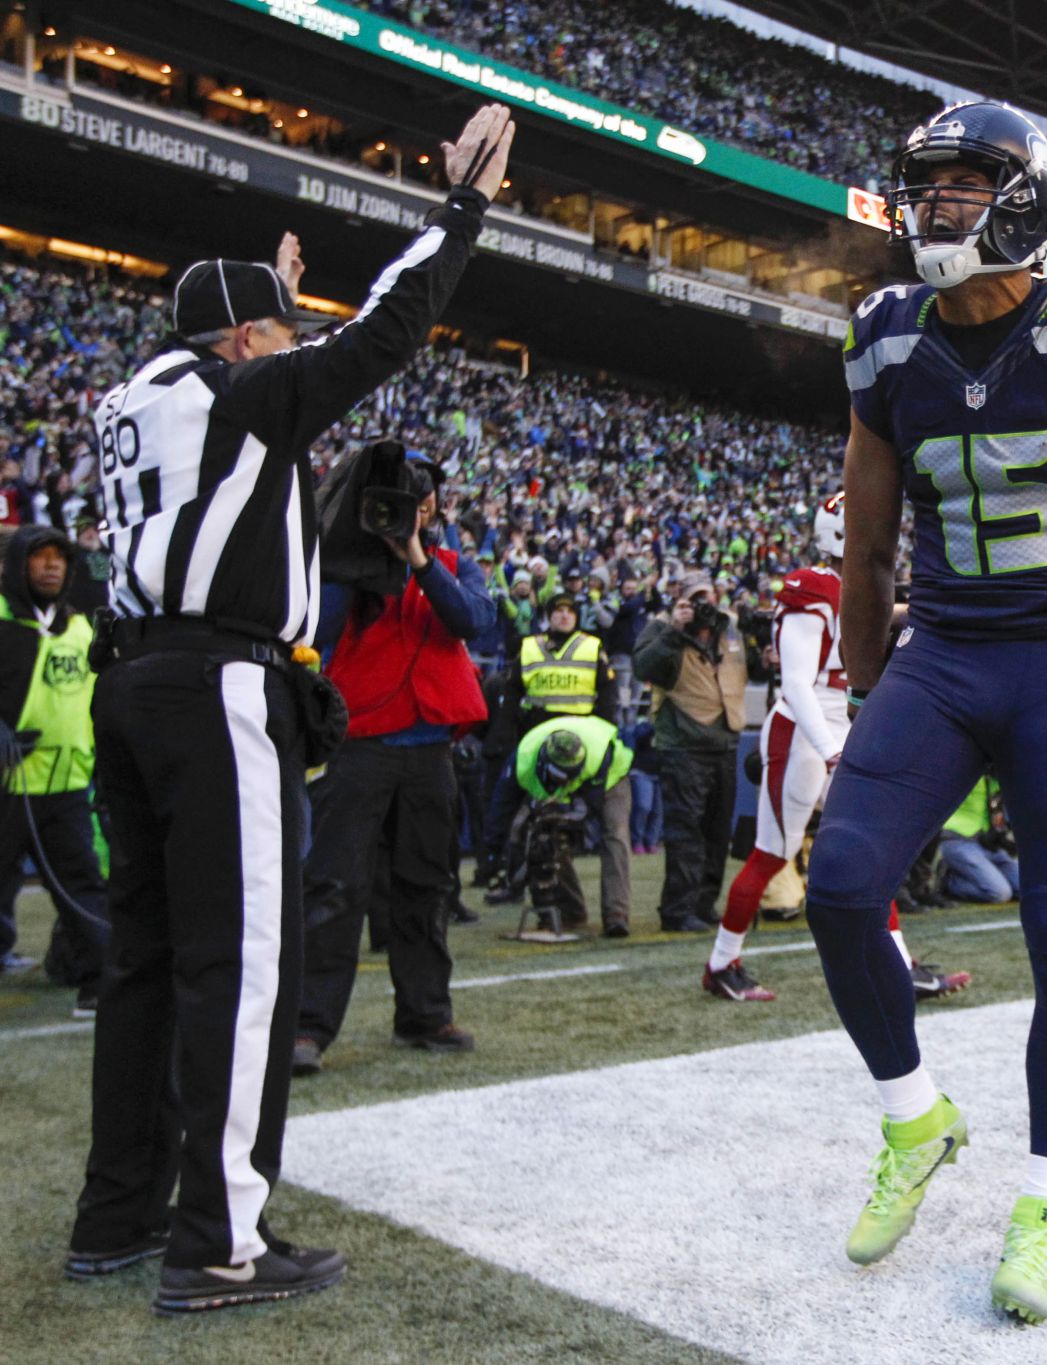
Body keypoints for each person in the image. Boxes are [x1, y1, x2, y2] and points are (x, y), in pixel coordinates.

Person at [69, 103, 513, 1311]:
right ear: (247, 339)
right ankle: (219, 1240)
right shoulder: (241, 392)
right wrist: (462, 208)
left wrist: (272, 306)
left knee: (148, 964)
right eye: (279, 329)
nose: (292, 343)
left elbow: (255, 391)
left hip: (133, 683)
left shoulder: (133, 400)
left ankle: (120, 1212)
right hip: (219, 683)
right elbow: (391, 330)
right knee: (242, 964)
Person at [805, 101, 1047, 1325]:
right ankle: (913, 1120)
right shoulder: (883, 337)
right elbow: (866, 549)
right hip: (944, 651)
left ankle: (1044, 1201)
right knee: (837, 883)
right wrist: (875, 700)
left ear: (1025, 197)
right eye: (928, 187)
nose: (938, 207)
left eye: (966, 185)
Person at [294, 458, 492, 1077]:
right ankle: (307, 1028)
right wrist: (353, 559)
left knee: (428, 885)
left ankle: (425, 1013)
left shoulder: (455, 565)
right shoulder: (337, 566)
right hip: (356, 745)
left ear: (436, 508)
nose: (418, 505)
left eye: (425, 497)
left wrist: (417, 559)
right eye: (404, 497)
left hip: (429, 748)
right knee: (333, 886)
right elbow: (315, 632)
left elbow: (474, 622)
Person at [703, 496, 853, 1001]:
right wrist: (831, 748)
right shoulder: (812, 588)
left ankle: (897, 960)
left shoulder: (859, 585)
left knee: (866, 846)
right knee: (773, 853)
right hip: (806, 729)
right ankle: (722, 963)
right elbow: (796, 684)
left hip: (842, 725)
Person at [0, 527, 109, 1016]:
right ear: (18, 565)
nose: (51, 566)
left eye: (59, 558)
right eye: (39, 557)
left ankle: (100, 979)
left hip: (65, 785)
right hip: (7, 787)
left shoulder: (82, 629)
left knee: (81, 884)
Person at [478, 589, 617, 887]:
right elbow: (512, 693)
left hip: (581, 737)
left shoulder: (592, 647)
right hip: (536, 736)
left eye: (570, 611)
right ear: (548, 615)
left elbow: (607, 695)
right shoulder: (529, 647)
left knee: (583, 813)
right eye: (558, 610)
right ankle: (506, 872)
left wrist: (607, 733)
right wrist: (503, 734)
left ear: (577, 617)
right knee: (519, 811)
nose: (564, 615)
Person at [633, 570, 747, 932]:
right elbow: (643, 667)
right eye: (696, 598)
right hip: (683, 745)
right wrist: (674, 632)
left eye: (708, 597)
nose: (704, 606)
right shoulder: (663, 627)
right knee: (686, 832)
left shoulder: (728, 628)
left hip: (725, 742)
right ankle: (678, 909)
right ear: (681, 601)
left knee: (717, 832)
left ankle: (704, 903)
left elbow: (751, 668)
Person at [513, 716, 634, 926]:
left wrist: (574, 824)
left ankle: (617, 915)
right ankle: (570, 911)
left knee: (615, 835)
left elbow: (592, 804)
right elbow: (504, 802)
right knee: (549, 838)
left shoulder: (598, 754)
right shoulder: (524, 759)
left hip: (611, 778)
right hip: (568, 780)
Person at [937, 774, 1021, 903]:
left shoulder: (996, 779)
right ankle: (949, 881)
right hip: (958, 840)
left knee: (1027, 888)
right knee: (999, 893)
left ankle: (980, 874)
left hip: (989, 843)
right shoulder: (964, 772)